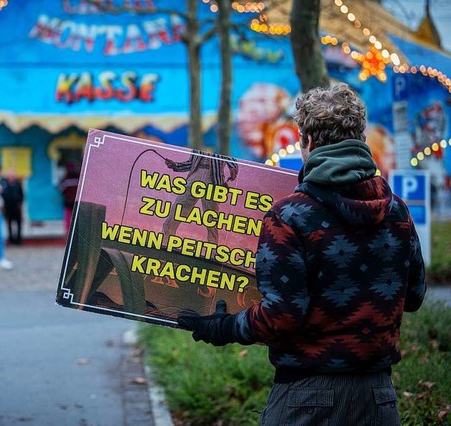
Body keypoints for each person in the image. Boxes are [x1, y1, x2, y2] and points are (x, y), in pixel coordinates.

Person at [178, 84, 426, 425]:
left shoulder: (290, 216)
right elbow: (413, 297)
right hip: (378, 400)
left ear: (306, 141)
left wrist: (223, 327)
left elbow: (282, 315)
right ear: (360, 137)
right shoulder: (398, 212)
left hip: (306, 400)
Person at [161, 150, 238, 243]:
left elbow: (231, 158)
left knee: (211, 217)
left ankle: (212, 249)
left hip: (214, 180)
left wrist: (233, 169)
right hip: (194, 176)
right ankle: (164, 241)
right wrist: (175, 165)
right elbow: (191, 163)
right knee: (177, 209)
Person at [1, 168, 24, 245]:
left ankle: (18, 239)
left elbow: (21, 195)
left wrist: (20, 203)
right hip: (8, 207)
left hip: (16, 207)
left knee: (19, 223)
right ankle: (11, 239)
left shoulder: (17, 184)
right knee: (9, 224)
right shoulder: (5, 185)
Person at [58, 161, 80, 233]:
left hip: (68, 203)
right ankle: (76, 233)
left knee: (68, 220)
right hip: (77, 203)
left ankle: (68, 234)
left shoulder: (65, 179)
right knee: (77, 219)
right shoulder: (79, 178)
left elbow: (61, 190)